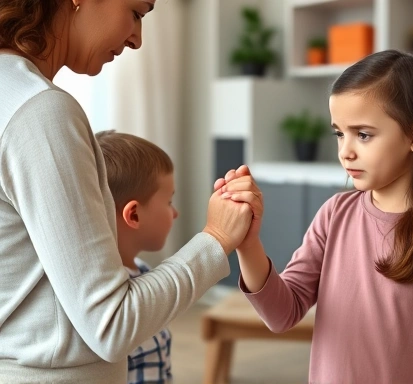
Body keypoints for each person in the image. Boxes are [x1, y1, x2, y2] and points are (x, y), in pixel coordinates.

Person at [0, 1, 253, 383]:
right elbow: (111, 325)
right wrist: (216, 239)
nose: (137, 39)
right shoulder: (38, 111)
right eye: (136, 12)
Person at [216, 49, 413, 383]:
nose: (345, 151)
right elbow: (282, 313)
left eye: (363, 134)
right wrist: (249, 243)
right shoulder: (334, 215)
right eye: (339, 133)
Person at [95, 130, 178, 384]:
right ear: (134, 216)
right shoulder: (106, 302)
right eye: (169, 201)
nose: (175, 213)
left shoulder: (145, 272)